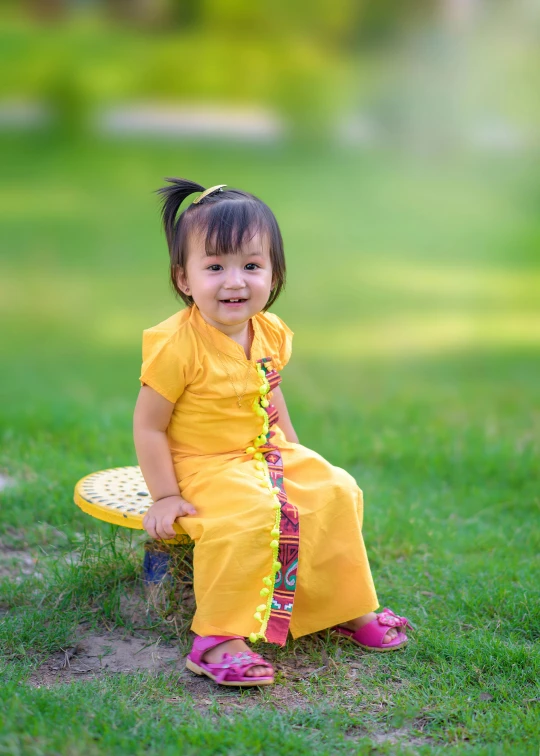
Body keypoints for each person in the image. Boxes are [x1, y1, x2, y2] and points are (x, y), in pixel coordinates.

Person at [133, 179, 412, 687]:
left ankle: (343, 607)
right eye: (215, 267)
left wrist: (294, 448)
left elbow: (270, 391)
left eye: (251, 266)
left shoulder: (269, 331)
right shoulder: (177, 346)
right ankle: (218, 637)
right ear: (184, 279)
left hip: (264, 451)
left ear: (273, 272)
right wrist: (165, 496)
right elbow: (149, 425)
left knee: (335, 488)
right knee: (251, 513)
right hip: (202, 463)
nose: (234, 281)